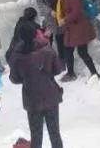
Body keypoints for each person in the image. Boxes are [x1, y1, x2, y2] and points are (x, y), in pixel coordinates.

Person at [7, 18, 65, 148]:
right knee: (55, 133)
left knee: (36, 135)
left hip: (32, 98)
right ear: (35, 33)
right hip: (50, 95)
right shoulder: (46, 49)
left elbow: (14, 79)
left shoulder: (17, 56)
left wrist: (27, 77)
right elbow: (57, 69)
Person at [53, 0, 99, 81]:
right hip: (73, 29)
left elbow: (77, 11)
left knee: (81, 52)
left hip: (78, 29)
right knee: (70, 50)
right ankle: (74, 73)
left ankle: (93, 73)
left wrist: (65, 19)